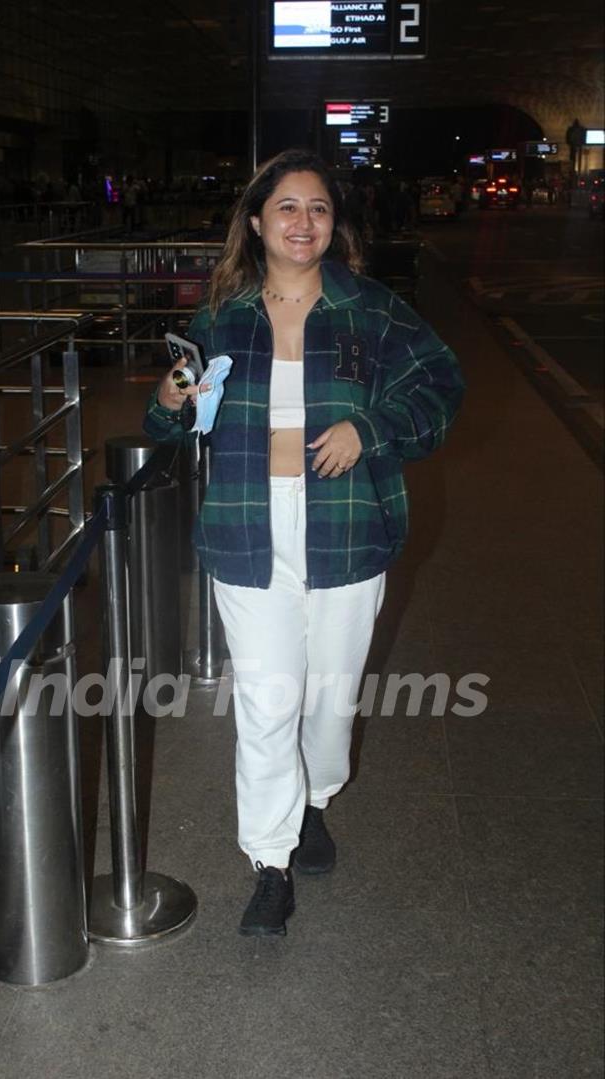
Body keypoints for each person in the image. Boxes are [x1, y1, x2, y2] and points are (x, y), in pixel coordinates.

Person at [144, 148, 464, 937]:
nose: (303, 222)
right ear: (256, 221)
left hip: (347, 522)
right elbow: (170, 427)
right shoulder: (221, 318)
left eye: (318, 208)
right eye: (287, 207)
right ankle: (270, 860)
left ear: (333, 223)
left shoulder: (372, 311)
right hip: (248, 528)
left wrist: (370, 426)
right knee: (265, 702)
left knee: (327, 697)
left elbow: (442, 385)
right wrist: (167, 400)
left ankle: (317, 795)